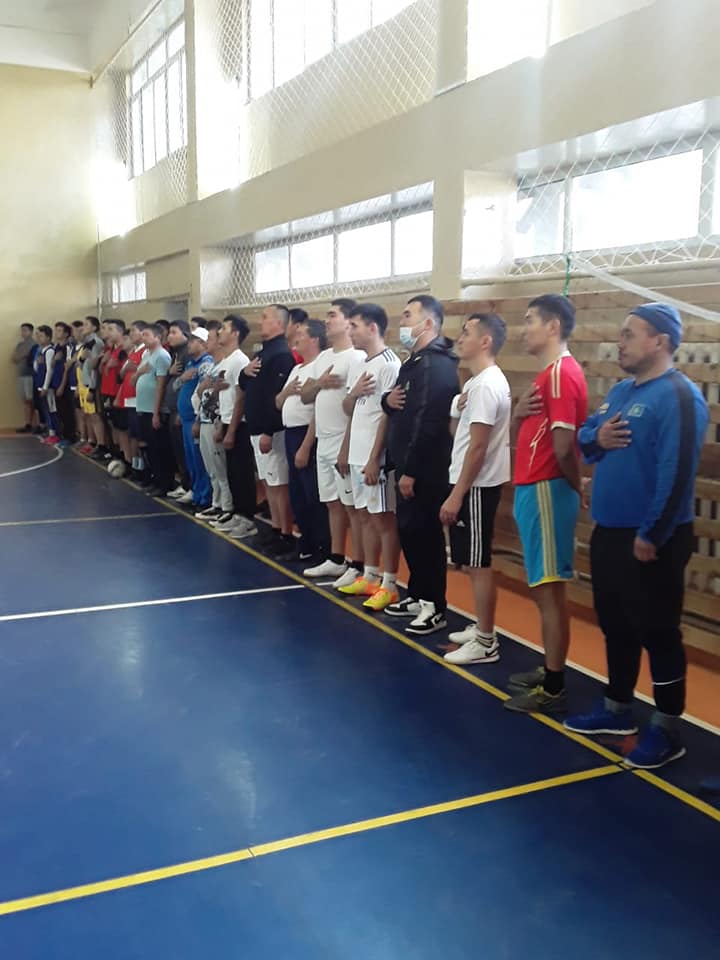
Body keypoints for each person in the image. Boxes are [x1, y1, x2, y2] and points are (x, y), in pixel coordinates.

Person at [563, 303, 709, 769]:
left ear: (659, 341)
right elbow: (586, 437)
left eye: (629, 334)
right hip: (609, 532)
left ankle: (666, 728)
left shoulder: (679, 396)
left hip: (652, 540)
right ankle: (617, 709)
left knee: (658, 632)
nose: (620, 342)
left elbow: (678, 471)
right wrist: (598, 439)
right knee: (616, 625)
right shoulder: (621, 392)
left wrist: (652, 534)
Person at [504, 294, 588, 714]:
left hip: (546, 490)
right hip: (534, 487)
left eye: (530, 320)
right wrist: (519, 416)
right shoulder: (549, 376)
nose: (523, 329)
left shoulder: (560, 374)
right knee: (543, 588)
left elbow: (563, 447)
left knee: (549, 591)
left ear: (553, 326)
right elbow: (533, 438)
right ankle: (550, 667)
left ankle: (555, 686)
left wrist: (576, 486)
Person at [381, 295, 459, 635]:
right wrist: (386, 401)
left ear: (428, 323)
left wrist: (411, 469)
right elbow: (397, 404)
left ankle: (434, 605)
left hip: (426, 469)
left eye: (407, 316)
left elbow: (428, 420)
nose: (401, 322)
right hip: (404, 463)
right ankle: (417, 594)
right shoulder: (412, 363)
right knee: (409, 531)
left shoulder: (435, 365)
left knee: (426, 535)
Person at [440, 314, 512, 663]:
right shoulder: (475, 384)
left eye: (467, 332)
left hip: (477, 487)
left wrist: (457, 495)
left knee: (479, 563)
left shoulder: (486, 385)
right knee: (469, 562)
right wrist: (457, 407)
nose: (460, 337)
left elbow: (479, 447)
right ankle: (481, 626)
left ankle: (486, 641)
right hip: (467, 482)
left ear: (485, 341)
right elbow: (461, 435)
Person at [337, 303, 402, 612]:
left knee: (383, 519)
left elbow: (388, 415)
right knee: (364, 516)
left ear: (373, 328)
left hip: (374, 458)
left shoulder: (390, 365)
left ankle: (390, 584)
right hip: (357, 453)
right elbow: (349, 409)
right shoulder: (362, 363)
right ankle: (370, 575)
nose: (349, 331)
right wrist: (354, 393)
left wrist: (376, 458)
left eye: (355, 326)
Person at [300, 299, 365, 581]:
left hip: (342, 440)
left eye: (332, 315)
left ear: (348, 321)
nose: (326, 320)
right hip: (323, 440)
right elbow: (306, 396)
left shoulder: (356, 358)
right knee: (331, 503)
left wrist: (346, 448)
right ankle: (337, 558)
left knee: (352, 507)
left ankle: (358, 564)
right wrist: (319, 383)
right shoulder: (325, 357)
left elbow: (357, 407)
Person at [239, 304, 296, 557]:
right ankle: (275, 528)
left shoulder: (281, 355)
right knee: (268, 481)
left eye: (265, 318)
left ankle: (285, 533)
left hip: (269, 431)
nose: (260, 321)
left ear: (279, 324)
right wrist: (244, 372)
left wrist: (269, 431)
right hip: (257, 428)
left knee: (278, 483)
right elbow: (245, 383)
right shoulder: (263, 353)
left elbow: (277, 397)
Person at [277, 318, 330, 563]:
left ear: (314, 340)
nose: (295, 338)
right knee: (297, 493)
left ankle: (321, 547)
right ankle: (306, 543)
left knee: (313, 495)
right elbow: (278, 402)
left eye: (301, 334)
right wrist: (287, 392)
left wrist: (306, 445)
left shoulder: (320, 365)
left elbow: (318, 408)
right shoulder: (296, 369)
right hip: (290, 433)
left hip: (306, 434)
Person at [215, 314, 258, 538]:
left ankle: (247, 518)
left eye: (224, 328)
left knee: (242, 473)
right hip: (226, 421)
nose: (219, 332)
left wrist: (231, 431)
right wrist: (221, 426)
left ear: (235, 333)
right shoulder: (226, 360)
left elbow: (240, 398)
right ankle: (237, 513)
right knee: (232, 472)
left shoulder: (240, 360)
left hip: (238, 425)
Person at [195, 321, 236, 526]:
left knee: (221, 468)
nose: (207, 343)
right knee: (211, 467)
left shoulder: (229, 365)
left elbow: (228, 397)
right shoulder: (213, 367)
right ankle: (216, 502)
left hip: (216, 422)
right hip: (204, 420)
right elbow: (200, 394)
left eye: (210, 339)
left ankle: (227, 506)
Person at [133, 323, 173, 496]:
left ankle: (164, 484)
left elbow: (161, 386)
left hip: (153, 410)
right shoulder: (146, 354)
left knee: (159, 448)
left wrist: (156, 413)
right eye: (142, 335)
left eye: (147, 335)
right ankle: (155, 479)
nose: (143, 338)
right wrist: (138, 373)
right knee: (149, 447)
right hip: (143, 407)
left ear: (158, 337)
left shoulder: (162, 356)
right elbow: (134, 380)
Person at [176, 326, 214, 511]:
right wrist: (182, 378)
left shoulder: (205, 364)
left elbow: (205, 395)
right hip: (186, 418)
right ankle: (196, 492)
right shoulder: (191, 363)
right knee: (191, 459)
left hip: (195, 419)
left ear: (203, 343)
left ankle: (204, 497)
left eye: (193, 341)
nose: (189, 344)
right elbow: (177, 385)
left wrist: (198, 419)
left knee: (200, 460)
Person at [117, 321, 148, 479]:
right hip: (129, 398)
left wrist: (133, 369)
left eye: (134, 330)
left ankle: (143, 469)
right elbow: (122, 374)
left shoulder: (145, 351)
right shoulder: (133, 352)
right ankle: (135, 465)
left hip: (139, 399)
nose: (131, 334)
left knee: (141, 436)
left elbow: (146, 370)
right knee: (133, 434)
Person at [166, 321, 192, 502]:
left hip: (181, 411)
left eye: (174, 332)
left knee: (185, 452)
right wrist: (170, 372)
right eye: (169, 332)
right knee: (178, 450)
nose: (170, 336)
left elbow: (186, 383)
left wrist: (181, 412)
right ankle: (185, 483)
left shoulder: (186, 354)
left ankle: (190, 485)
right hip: (174, 408)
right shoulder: (175, 354)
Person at [77, 316, 109, 458]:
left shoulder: (96, 343)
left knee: (96, 416)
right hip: (85, 382)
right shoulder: (87, 343)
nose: (82, 327)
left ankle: (101, 445)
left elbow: (94, 368)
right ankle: (95, 443)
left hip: (92, 384)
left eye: (86, 324)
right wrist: (82, 358)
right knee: (90, 415)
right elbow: (82, 364)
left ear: (94, 328)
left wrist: (92, 388)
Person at [33, 326, 60, 445]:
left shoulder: (49, 351)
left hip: (48, 387)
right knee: (45, 410)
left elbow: (50, 370)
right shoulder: (40, 351)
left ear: (48, 337)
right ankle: (50, 432)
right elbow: (36, 368)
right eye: (38, 336)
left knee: (51, 409)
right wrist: (36, 362)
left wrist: (45, 387)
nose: (39, 338)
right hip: (40, 384)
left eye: (41, 336)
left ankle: (54, 433)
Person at [51, 322, 74, 446]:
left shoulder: (67, 348)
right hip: (56, 381)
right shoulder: (56, 347)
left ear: (66, 334)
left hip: (64, 383)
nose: (56, 333)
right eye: (56, 330)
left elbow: (67, 368)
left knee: (67, 412)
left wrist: (62, 385)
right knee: (59, 411)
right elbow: (52, 365)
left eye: (59, 330)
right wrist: (54, 359)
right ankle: (61, 435)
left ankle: (69, 437)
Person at [12, 323, 36, 433]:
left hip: (30, 375)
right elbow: (14, 358)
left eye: (25, 330)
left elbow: (30, 358)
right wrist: (23, 355)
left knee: (31, 400)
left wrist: (22, 355)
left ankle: (36, 424)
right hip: (21, 375)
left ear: (31, 332)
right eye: (22, 330)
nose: (23, 333)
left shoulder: (34, 344)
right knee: (25, 401)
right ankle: (27, 424)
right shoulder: (20, 345)